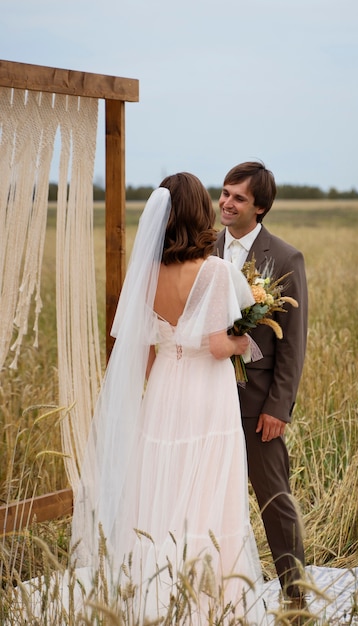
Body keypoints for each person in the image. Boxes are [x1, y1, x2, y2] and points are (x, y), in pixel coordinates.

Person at [71, 173, 266, 623]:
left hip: (162, 391)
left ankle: (156, 597)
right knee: (207, 493)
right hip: (204, 395)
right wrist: (244, 343)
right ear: (200, 212)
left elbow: (138, 359)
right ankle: (209, 604)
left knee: (162, 485)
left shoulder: (147, 275)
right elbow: (218, 346)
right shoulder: (215, 271)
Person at [214, 161, 308, 605]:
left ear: (261, 207)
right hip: (206, 398)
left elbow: (292, 344)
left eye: (238, 197)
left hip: (258, 406)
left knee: (275, 502)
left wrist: (278, 407)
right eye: (225, 193)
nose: (226, 203)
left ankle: (296, 596)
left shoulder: (285, 258)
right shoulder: (201, 248)